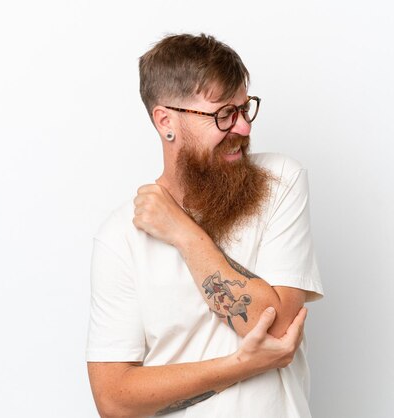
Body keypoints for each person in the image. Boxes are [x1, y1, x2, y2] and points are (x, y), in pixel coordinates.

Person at [86, 33, 324, 418]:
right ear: (166, 121)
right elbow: (113, 400)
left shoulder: (281, 180)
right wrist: (241, 365)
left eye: (245, 109)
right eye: (224, 115)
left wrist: (182, 232)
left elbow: (278, 329)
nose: (243, 128)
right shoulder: (120, 237)